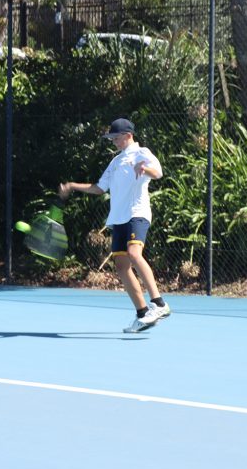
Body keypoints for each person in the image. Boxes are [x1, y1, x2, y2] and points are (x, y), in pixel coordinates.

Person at [59, 118, 171, 333]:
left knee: (134, 254)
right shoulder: (116, 162)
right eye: (111, 139)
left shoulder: (143, 153)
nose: (114, 142)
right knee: (121, 266)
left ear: (128, 136)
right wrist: (73, 186)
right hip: (118, 218)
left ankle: (159, 304)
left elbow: (158, 173)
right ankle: (142, 313)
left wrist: (144, 168)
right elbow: (100, 188)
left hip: (137, 214)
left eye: (116, 138)